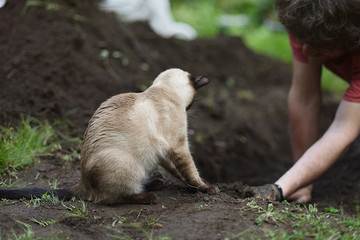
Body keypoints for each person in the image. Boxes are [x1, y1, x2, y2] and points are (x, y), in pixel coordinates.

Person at [253, 0, 360, 203]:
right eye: (301, 40)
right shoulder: (306, 20)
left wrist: (278, 189)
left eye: (320, 48)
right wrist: (301, 184)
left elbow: (344, 127)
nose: (305, 51)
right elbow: (304, 99)